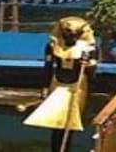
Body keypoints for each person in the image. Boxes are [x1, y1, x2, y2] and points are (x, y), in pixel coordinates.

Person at [24, 16, 97, 152]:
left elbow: (92, 75)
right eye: (67, 33)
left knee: (70, 122)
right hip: (57, 83)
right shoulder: (52, 45)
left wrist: (87, 66)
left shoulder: (88, 49)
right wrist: (44, 87)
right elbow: (48, 67)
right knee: (55, 121)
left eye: (74, 34)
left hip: (77, 86)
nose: (71, 37)